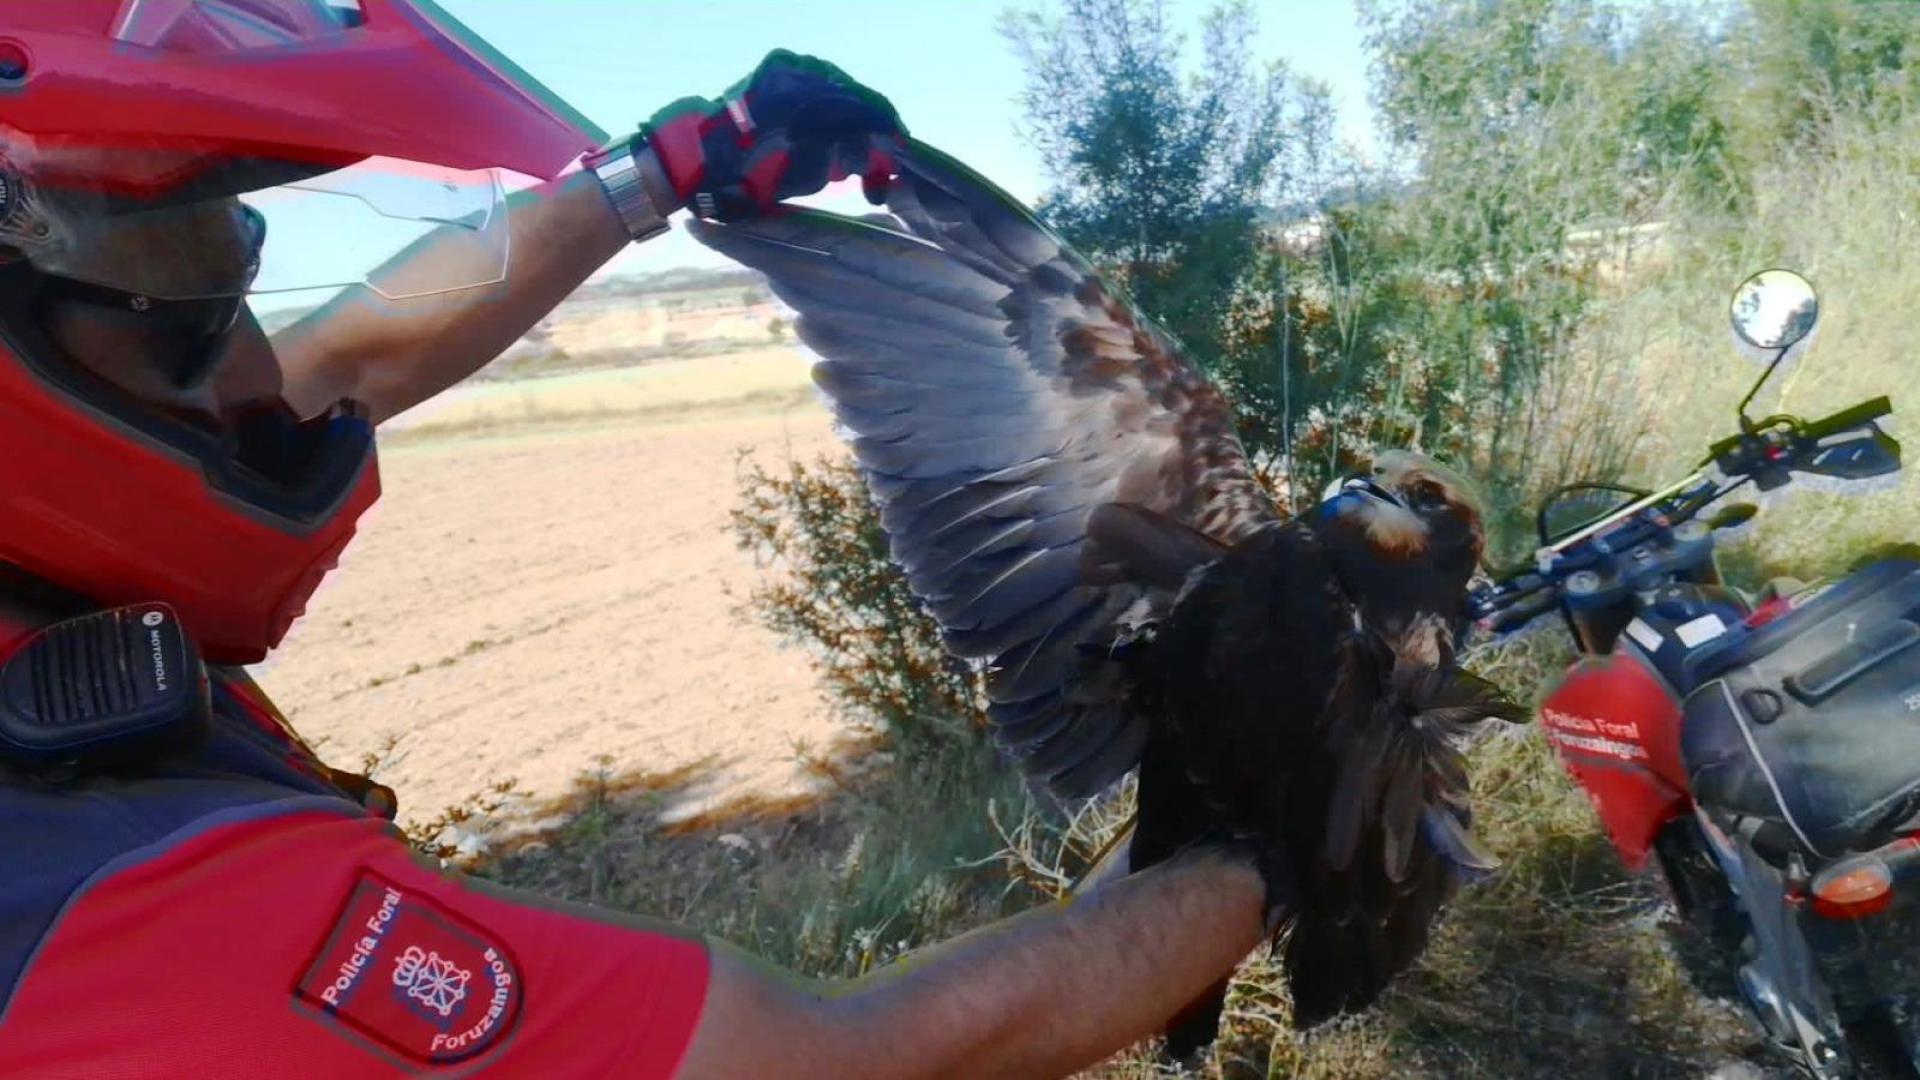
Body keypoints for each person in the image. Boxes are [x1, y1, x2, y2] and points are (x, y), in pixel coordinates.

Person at [0, 4, 1275, 1077]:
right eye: (189, 325)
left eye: (245, 300)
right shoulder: (130, 898)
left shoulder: (43, 613)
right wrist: (1287, 849)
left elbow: (343, 356)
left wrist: (662, 169)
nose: (258, 380)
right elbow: (851, 1060)